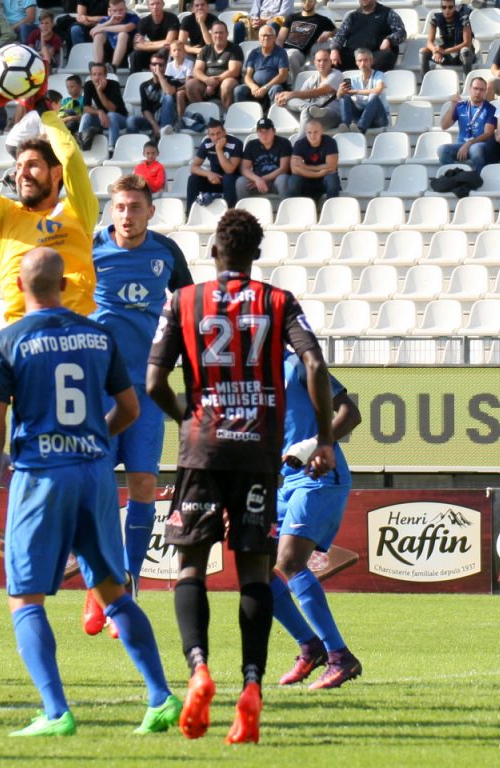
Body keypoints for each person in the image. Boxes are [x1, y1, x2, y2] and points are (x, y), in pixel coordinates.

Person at [147, 208, 336, 745]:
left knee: (189, 564)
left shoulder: (182, 301)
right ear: (256, 256)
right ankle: (251, 686)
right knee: (253, 566)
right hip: (258, 451)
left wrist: (184, 414)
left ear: (213, 252)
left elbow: (154, 377)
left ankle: (199, 669)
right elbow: (317, 367)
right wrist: (323, 438)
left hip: (203, 451)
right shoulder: (279, 302)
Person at [0, 247, 176, 738]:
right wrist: (94, 438)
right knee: (113, 591)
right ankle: (160, 696)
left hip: (42, 474)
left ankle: (54, 712)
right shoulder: (98, 335)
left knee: (25, 598)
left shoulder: (10, 339)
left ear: (19, 287)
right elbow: (130, 409)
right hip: (94, 474)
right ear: (64, 286)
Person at [85, 176, 191, 632]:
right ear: (112, 210)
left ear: (150, 211)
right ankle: (98, 587)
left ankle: (127, 588)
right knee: (96, 489)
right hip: (98, 388)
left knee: (144, 484)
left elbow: (188, 307)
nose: (126, 215)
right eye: (120, 207)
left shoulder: (166, 253)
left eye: (135, 207)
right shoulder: (89, 249)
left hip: (147, 387)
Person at [0, 61, 99, 324]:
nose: (22, 173)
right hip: (22, 338)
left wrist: (44, 109)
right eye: (19, 166)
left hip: (76, 334)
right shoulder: (3, 216)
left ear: (56, 174)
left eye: (33, 165)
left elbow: (70, 159)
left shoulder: (78, 211)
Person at [271, 349, 364, 690]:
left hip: (319, 476)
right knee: (258, 568)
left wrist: (313, 444)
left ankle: (340, 657)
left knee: (290, 561)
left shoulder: (296, 364)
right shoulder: (245, 376)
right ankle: (310, 647)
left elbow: (350, 414)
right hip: (283, 481)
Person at [273, 47, 341, 130]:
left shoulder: (336, 75)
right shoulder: (311, 79)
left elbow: (321, 91)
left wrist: (290, 94)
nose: (322, 63)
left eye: (325, 60)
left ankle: (309, 109)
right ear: (314, 63)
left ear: (331, 62)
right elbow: (300, 98)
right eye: (319, 60)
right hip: (312, 114)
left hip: (331, 115)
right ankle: (309, 108)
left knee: (301, 107)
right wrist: (282, 97)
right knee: (289, 101)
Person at [329, 0, 404, 73]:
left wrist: (389, 40)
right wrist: (334, 49)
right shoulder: (352, 16)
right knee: (327, 55)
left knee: (386, 56)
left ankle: (373, 82)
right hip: (353, 56)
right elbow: (339, 35)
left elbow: (401, 32)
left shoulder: (388, 13)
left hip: (375, 56)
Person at [439, 77, 496, 171]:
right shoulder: (461, 106)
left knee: (476, 150)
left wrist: (469, 143)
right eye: (475, 88)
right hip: (461, 145)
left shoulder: (490, 109)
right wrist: (453, 105)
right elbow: (444, 126)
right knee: (442, 150)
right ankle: (456, 176)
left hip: (479, 144)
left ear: (485, 91)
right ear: (470, 89)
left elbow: (488, 133)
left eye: (481, 89)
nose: (478, 92)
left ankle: (479, 178)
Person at [186, 118, 243, 209]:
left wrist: (218, 149)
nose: (216, 137)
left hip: (232, 181)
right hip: (215, 180)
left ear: (224, 132)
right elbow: (193, 167)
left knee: (228, 178)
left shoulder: (236, 143)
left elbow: (229, 170)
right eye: (212, 134)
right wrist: (209, 174)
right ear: (208, 135)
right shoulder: (207, 143)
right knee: (193, 178)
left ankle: (229, 213)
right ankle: (189, 213)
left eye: (218, 133)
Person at [187, 21, 243, 111]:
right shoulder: (206, 49)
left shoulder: (235, 49)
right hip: (207, 83)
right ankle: (201, 114)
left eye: (221, 32)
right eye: (215, 33)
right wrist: (207, 80)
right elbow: (196, 70)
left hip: (225, 81)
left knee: (227, 84)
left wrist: (214, 83)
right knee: (190, 84)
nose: (218, 36)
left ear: (227, 34)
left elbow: (234, 71)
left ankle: (227, 115)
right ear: (211, 34)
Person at [80, 61, 132, 153]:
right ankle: (81, 144)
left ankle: (112, 149)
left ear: (105, 75)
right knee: (86, 116)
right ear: (91, 76)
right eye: (94, 74)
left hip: (120, 119)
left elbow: (111, 109)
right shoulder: (88, 85)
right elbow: (85, 108)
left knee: (111, 115)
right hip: (101, 118)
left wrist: (99, 91)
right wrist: (99, 112)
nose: (97, 77)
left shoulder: (114, 85)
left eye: (100, 74)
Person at [234, 25, 289, 111]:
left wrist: (265, 87)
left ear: (274, 38)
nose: (266, 38)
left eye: (269, 35)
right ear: (259, 38)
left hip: (271, 86)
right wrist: (253, 86)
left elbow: (283, 75)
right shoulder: (254, 53)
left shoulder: (281, 52)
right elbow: (248, 75)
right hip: (256, 88)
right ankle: (243, 116)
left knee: (276, 88)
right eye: (263, 35)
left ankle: (273, 116)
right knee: (239, 90)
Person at [237, 117, 291, 199]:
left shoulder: (283, 143)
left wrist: (263, 179)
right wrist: (257, 179)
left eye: (267, 131)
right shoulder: (251, 145)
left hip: (276, 182)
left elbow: (284, 169)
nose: (264, 135)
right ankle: (244, 210)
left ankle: (287, 209)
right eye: (260, 132)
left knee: (283, 179)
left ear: (274, 131)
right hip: (257, 182)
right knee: (241, 182)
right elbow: (244, 168)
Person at [277, 0, 335, 74]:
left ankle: (296, 82)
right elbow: (280, 38)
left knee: (290, 55)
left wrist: (328, 33)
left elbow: (337, 31)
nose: (307, 3)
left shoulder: (322, 20)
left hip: (300, 53)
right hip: (285, 50)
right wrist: (276, 52)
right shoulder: (291, 17)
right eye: (304, 1)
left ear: (315, 2)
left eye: (310, 1)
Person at [337, 48, 388, 131]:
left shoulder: (379, 75)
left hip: (379, 118)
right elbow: (339, 97)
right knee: (344, 96)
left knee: (373, 96)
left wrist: (356, 91)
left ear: (371, 61)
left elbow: (378, 90)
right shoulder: (353, 79)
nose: (363, 63)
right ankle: (345, 125)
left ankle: (361, 128)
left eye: (365, 60)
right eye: (360, 61)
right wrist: (340, 92)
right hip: (360, 116)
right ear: (356, 63)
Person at [289, 118, 339, 200]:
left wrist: (305, 166)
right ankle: (296, 208)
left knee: (332, 179)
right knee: (294, 180)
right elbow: (295, 169)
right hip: (307, 179)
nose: (312, 136)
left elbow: (331, 167)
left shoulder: (330, 142)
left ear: (321, 131)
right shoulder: (299, 144)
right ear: (306, 133)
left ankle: (332, 207)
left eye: (316, 132)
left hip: (324, 179)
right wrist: (318, 173)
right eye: (309, 132)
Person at [422, 0, 474, 75]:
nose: (447, 10)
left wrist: (446, 51)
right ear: (441, 8)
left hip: (462, 54)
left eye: (450, 7)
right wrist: (435, 51)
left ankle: (468, 83)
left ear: (454, 7)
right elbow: (429, 42)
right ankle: (425, 82)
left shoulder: (463, 18)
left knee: (465, 51)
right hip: (445, 52)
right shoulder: (436, 18)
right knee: (423, 52)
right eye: (444, 7)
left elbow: (467, 43)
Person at [136, 51, 179, 140]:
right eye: (154, 64)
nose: (157, 67)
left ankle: (163, 135)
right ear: (150, 66)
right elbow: (145, 109)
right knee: (131, 121)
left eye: (160, 65)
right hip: (152, 120)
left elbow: (169, 92)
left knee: (168, 98)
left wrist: (159, 75)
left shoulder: (172, 80)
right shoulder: (144, 86)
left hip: (168, 120)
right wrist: (154, 125)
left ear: (165, 66)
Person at [90, 0, 140, 74]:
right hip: (109, 53)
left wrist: (103, 28)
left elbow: (126, 28)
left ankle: (113, 67)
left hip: (126, 53)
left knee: (122, 34)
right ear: (110, 11)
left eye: (121, 10)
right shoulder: (105, 20)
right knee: (98, 36)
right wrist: (110, 22)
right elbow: (92, 32)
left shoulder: (133, 17)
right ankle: (98, 66)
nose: (118, 13)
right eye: (114, 11)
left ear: (125, 9)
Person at [131, 0, 180, 72]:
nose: (155, 7)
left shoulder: (172, 18)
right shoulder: (144, 21)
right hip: (150, 52)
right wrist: (158, 44)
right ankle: (134, 78)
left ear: (163, 4)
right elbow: (137, 45)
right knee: (134, 55)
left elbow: (169, 42)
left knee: (164, 50)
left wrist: (147, 43)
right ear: (148, 6)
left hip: (167, 52)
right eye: (152, 4)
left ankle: (161, 79)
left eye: (158, 3)